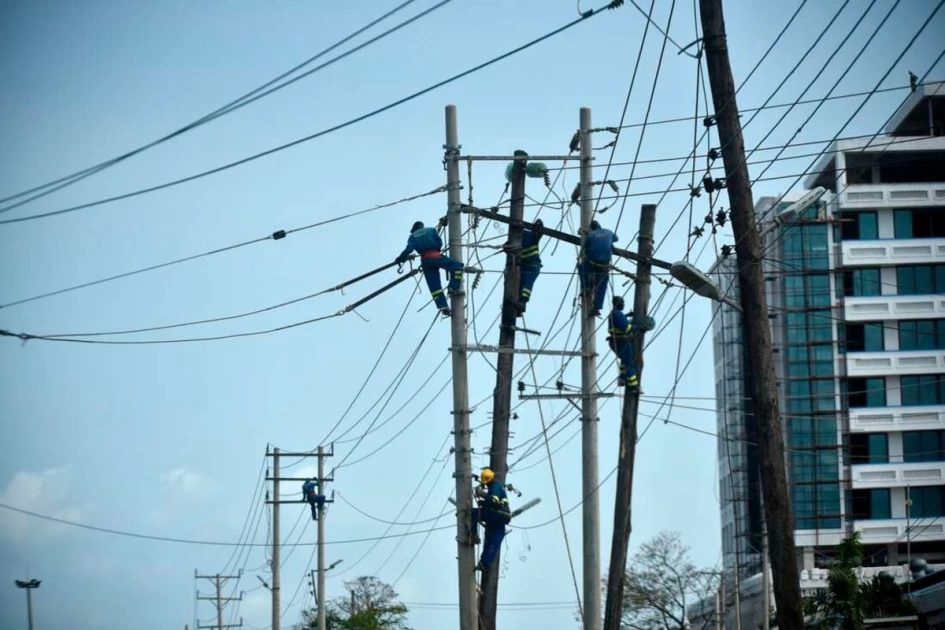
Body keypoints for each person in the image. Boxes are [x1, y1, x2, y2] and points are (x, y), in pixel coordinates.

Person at [395, 220, 464, 317]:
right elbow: (439, 242)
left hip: (425, 261)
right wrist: (435, 249)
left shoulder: (412, 236)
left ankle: (442, 306)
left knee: (434, 285)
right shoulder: (431, 230)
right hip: (436, 256)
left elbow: (408, 249)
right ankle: (453, 287)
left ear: (414, 229)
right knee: (457, 267)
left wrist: (400, 259)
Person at [471, 467, 511, 571]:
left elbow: (494, 501)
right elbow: (495, 503)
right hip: (503, 517)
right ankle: (484, 563)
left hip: (497, 514)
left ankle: (473, 535)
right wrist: (484, 503)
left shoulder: (495, 486)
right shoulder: (497, 486)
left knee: (473, 513)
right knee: (493, 542)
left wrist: (482, 494)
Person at [579, 220, 618, 316]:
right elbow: (616, 239)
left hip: (592, 262)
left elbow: (585, 247)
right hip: (604, 263)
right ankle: (597, 307)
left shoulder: (590, 235)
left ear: (591, 228)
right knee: (602, 284)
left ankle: (586, 288)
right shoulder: (609, 232)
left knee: (582, 268)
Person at [519, 218, 543, 313]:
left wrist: (538, 224)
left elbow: (539, 231)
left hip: (532, 266)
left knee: (526, 284)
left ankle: (522, 302)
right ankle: (520, 303)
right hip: (525, 266)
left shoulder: (531, 235)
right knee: (521, 284)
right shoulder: (522, 236)